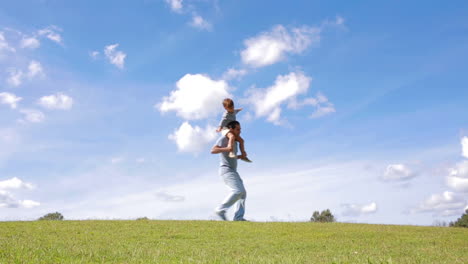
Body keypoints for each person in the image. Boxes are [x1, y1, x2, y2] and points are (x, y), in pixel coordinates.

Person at [211, 120, 248, 221]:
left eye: (240, 129)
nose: (240, 131)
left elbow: (231, 157)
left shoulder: (235, 142)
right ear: (231, 129)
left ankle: (238, 218)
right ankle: (220, 210)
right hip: (226, 170)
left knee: (243, 193)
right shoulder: (224, 138)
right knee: (238, 191)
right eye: (237, 129)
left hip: (233, 170)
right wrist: (227, 148)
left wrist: (241, 156)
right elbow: (213, 150)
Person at [216, 98, 252, 162]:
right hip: (225, 130)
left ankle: (243, 155)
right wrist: (219, 127)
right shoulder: (226, 115)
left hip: (232, 129)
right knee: (232, 136)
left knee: (241, 141)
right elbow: (222, 121)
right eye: (230, 108)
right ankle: (231, 151)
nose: (232, 109)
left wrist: (239, 110)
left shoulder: (234, 111)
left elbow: (236, 111)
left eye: (233, 107)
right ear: (226, 108)